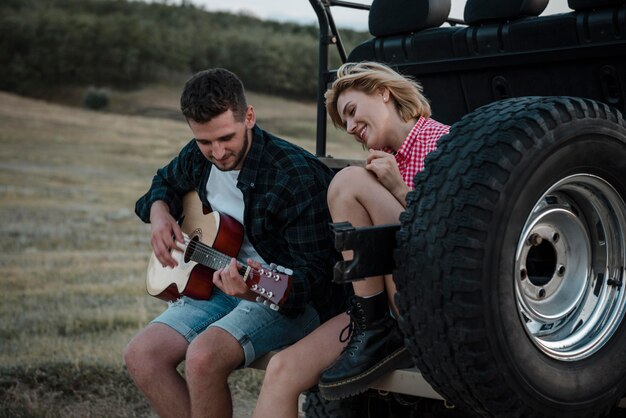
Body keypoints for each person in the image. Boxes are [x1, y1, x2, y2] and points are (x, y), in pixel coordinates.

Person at [123, 68, 341, 418]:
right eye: (205, 141)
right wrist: (159, 213)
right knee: (142, 356)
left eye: (226, 138)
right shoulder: (199, 155)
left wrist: (254, 291)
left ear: (249, 117)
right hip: (218, 282)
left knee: (203, 357)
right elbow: (163, 182)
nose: (218, 152)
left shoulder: (294, 176)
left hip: (283, 297)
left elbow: (317, 277)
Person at [253, 61, 450, 416]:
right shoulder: (381, 161)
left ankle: (376, 327)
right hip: (374, 308)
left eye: (352, 111)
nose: (350, 126)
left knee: (346, 181)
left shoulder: (446, 143)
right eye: (344, 124)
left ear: (383, 92)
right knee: (282, 370)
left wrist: (399, 188)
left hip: (431, 298)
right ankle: (371, 324)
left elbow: (455, 237)